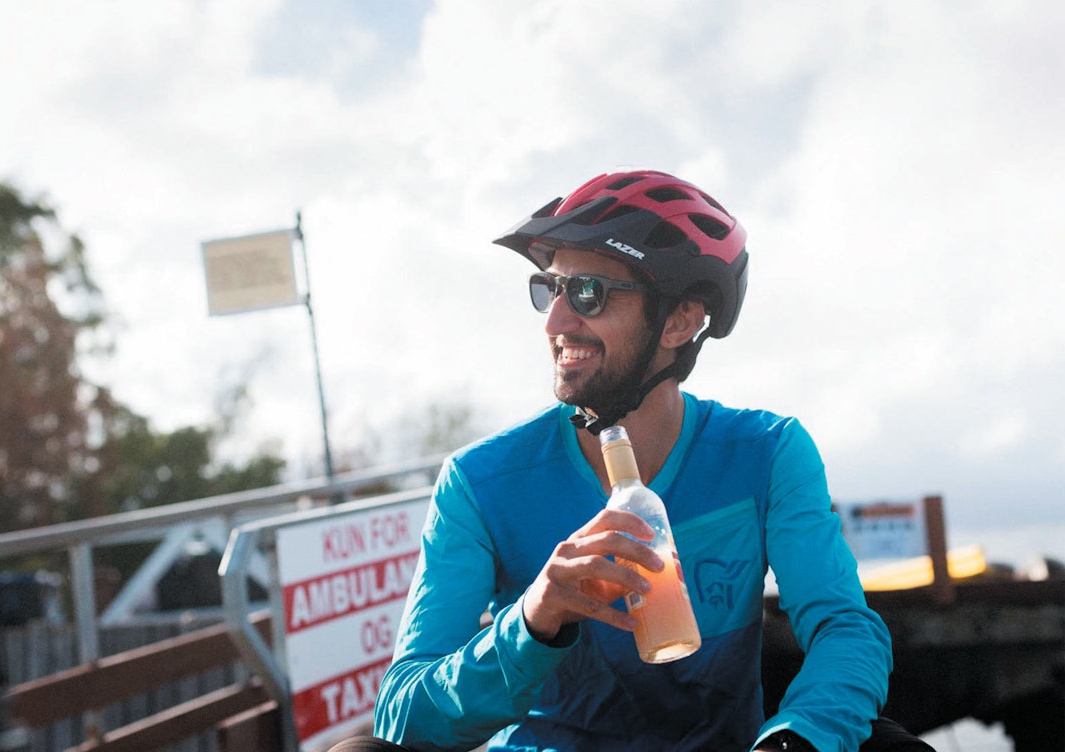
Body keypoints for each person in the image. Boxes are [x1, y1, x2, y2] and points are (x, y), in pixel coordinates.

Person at [332, 170, 932, 751]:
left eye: (588, 293)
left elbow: (844, 629)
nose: (556, 321)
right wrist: (534, 619)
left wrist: (795, 739)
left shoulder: (767, 452)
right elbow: (403, 715)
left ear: (680, 320)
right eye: (551, 289)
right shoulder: (480, 481)